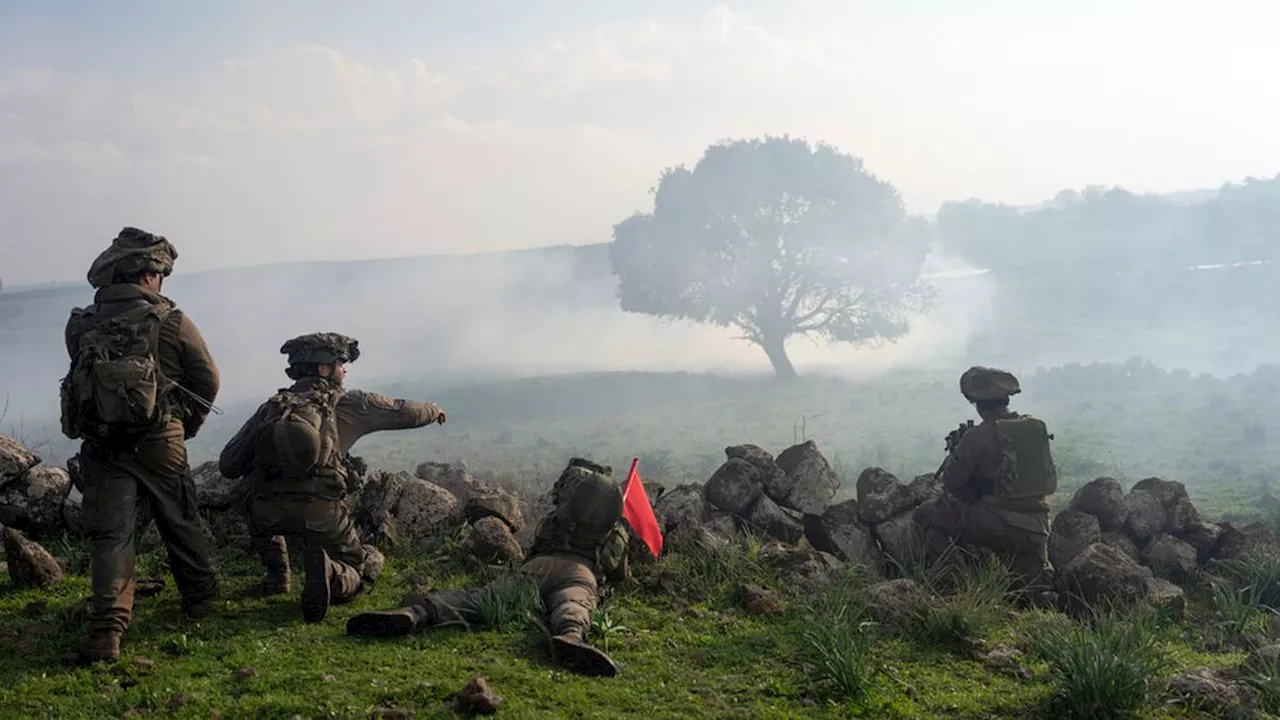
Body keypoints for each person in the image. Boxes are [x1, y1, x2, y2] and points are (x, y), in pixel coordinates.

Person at [61, 227, 222, 663]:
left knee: (111, 536)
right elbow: (207, 379)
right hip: (160, 439)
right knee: (180, 519)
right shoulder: (171, 321)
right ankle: (201, 601)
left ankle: (106, 632)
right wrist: (186, 424)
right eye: (159, 273)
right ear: (148, 275)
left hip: (102, 443)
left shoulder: (80, 324)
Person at [218, 332, 445, 623]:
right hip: (321, 513)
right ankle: (335, 576)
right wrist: (434, 410)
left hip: (266, 513)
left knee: (251, 498)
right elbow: (402, 411)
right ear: (324, 369)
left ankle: (277, 575)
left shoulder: (272, 408)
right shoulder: (349, 403)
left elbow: (228, 465)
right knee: (360, 566)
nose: (345, 368)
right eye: (341, 363)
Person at [346, 457, 630, 678]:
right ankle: (570, 636)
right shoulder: (615, 532)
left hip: (538, 566)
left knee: (482, 598)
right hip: (581, 574)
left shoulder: (559, 516)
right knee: (573, 604)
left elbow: (537, 543)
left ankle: (416, 612)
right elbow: (618, 573)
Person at [914, 366, 1057, 592]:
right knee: (1031, 593)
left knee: (928, 514)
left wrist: (959, 452)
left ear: (977, 404)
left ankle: (956, 589)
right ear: (1006, 399)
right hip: (1037, 526)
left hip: (997, 524)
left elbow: (953, 483)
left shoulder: (978, 435)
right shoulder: (1034, 427)